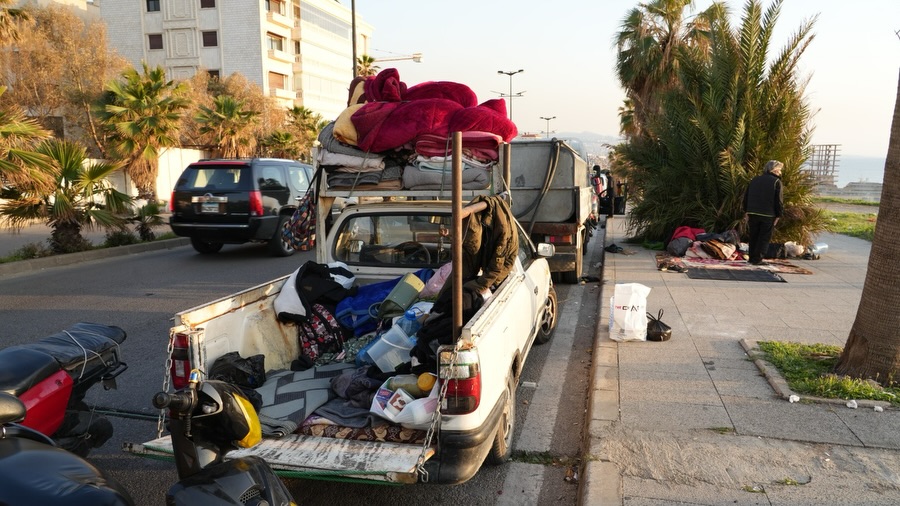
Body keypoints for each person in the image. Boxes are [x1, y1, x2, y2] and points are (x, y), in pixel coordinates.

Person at [743, 160, 784, 265]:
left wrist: (746, 211)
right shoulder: (776, 182)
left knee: (753, 236)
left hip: (752, 212)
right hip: (768, 214)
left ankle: (751, 258)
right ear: (774, 170)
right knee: (764, 238)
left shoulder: (755, 180)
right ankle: (758, 260)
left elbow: (746, 196)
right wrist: (778, 215)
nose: (780, 172)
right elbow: (778, 201)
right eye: (779, 170)